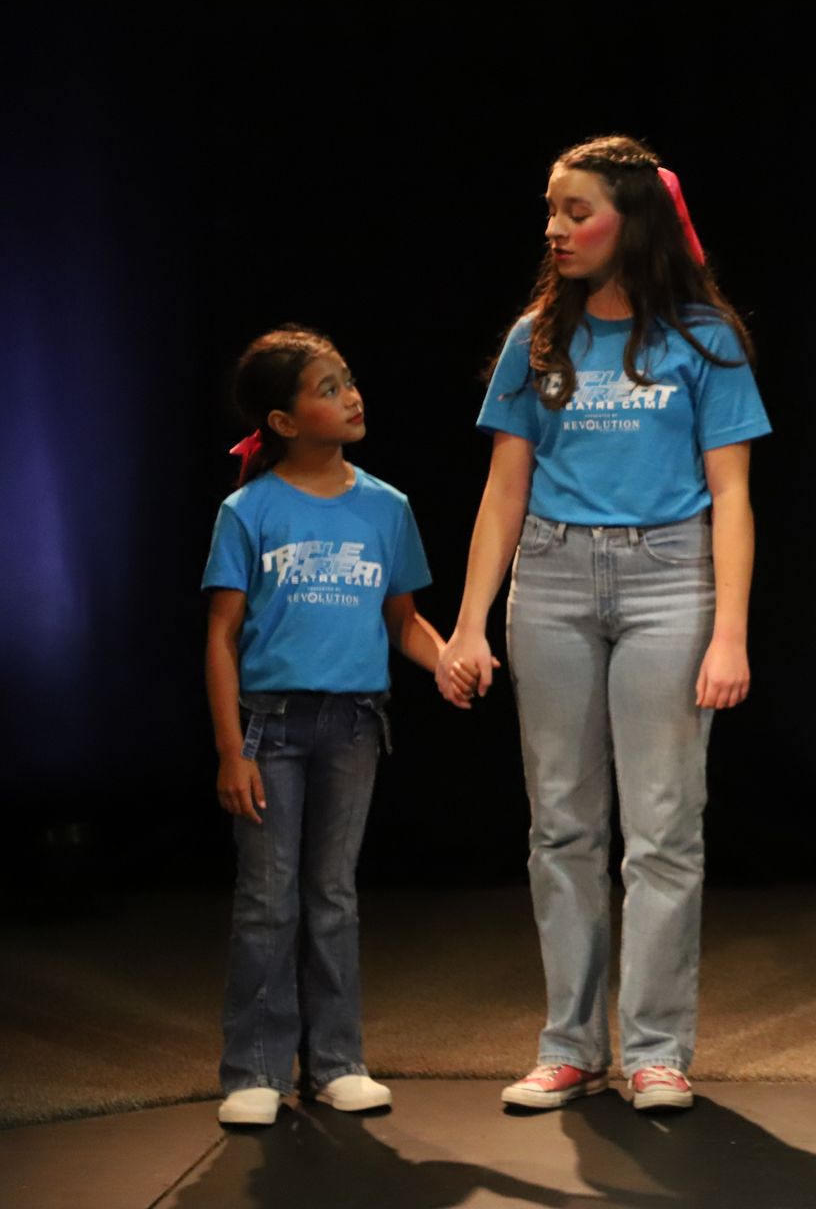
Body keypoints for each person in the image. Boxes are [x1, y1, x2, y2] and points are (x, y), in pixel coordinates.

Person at [435, 136, 770, 1113]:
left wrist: (731, 631)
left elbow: (734, 495)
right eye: (551, 210)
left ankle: (657, 1048)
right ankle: (570, 1043)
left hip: (673, 579)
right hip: (551, 576)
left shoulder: (704, 336)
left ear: (633, 219)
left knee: (663, 827)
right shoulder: (535, 337)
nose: (556, 227)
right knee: (562, 823)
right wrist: (467, 627)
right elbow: (503, 490)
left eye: (576, 210)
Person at [202, 325, 442, 1125]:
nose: (351, 396)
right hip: (269, 729)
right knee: (268, 900)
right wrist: (230, 750)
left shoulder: (386, 507)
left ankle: (338, 1062)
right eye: (328, 387)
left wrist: (444, 658)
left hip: (353, 726)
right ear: (282, 421)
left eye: (348, 380)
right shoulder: (249, 510)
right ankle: (255, 1070)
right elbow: (221, 639)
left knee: (332, 895)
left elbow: (403, 619)